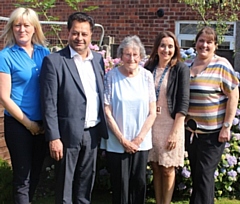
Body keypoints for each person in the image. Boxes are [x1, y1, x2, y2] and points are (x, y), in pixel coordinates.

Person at [40, 12, 108, 203]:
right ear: (68, 33)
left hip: (93, 132)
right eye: (75, 33)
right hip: (67, 134)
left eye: (84, 34)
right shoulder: (54, 61)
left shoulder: (97, 60)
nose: (79, 38)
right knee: (65, 187)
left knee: (86, 185)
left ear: (91, 35)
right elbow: (49, 103)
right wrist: (54, 137)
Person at [0, 7, 50, 203]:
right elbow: (4, 97)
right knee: (23, 177)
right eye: (17, 25)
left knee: (36, 173)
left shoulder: (44, 53)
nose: (22, 29)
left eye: (26, 25)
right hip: (19, 125)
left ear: (34, 28)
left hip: (42, 124)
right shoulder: (5, 56)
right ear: (12, 28)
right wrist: (29, 125)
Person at [185, 26, 239, 204]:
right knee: (197, 175)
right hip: (191, 133)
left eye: (209, 42)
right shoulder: (188, 65)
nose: (204, 45)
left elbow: (233, 95)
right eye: (201, 41)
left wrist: (226, 126)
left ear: (215, 45)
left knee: (205, 176)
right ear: (196, 43)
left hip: (213, 134)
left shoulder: (222, 65)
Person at [100, 35, 157, 204]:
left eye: (135, 55)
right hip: (117, 142)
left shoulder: (147, 76)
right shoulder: (111, 77)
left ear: (140, 56)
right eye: (127, 54)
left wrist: (138, 139)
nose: (131, 58)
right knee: (120, 184)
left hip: (141, 142)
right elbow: (107, 110)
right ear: (121, 55)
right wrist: (123, 140)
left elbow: (152, 112)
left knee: (138, 182)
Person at [144, 31, 190, 204]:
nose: (166, 49)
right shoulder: (149, 67)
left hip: (171, 124)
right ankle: (158, 201)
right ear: (157, 48)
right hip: (152, 124)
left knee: (168, 168)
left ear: (175, 49)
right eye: (163, 45)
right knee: (156, 166)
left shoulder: (180, 69)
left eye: (170, 46)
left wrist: (175, 132)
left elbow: (183, 102)